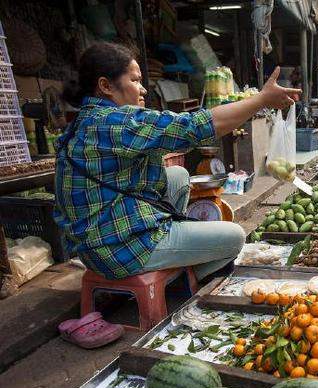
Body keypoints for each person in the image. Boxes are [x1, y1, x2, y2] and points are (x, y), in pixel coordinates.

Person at [55, 42, 300, 282]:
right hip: (118, 251)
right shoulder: (114, 122)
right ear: (106, 86)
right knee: (235, 236)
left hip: (93, 244)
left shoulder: (86, 118)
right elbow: (194, 127)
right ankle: (186, 277)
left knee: (178, 176)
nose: (143, 89)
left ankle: (177, 253)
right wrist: (261, 99)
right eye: (135, 80)